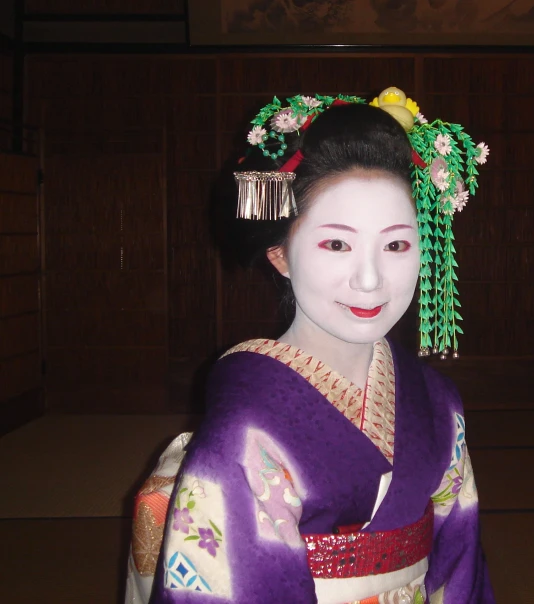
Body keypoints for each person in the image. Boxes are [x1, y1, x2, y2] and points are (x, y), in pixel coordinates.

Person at [126, 88, 493, 604]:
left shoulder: (436, 400)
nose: (370, 280)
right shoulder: (248, 426)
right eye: (336, 244)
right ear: (279, 253)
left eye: (396, 245)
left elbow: (462, 566)